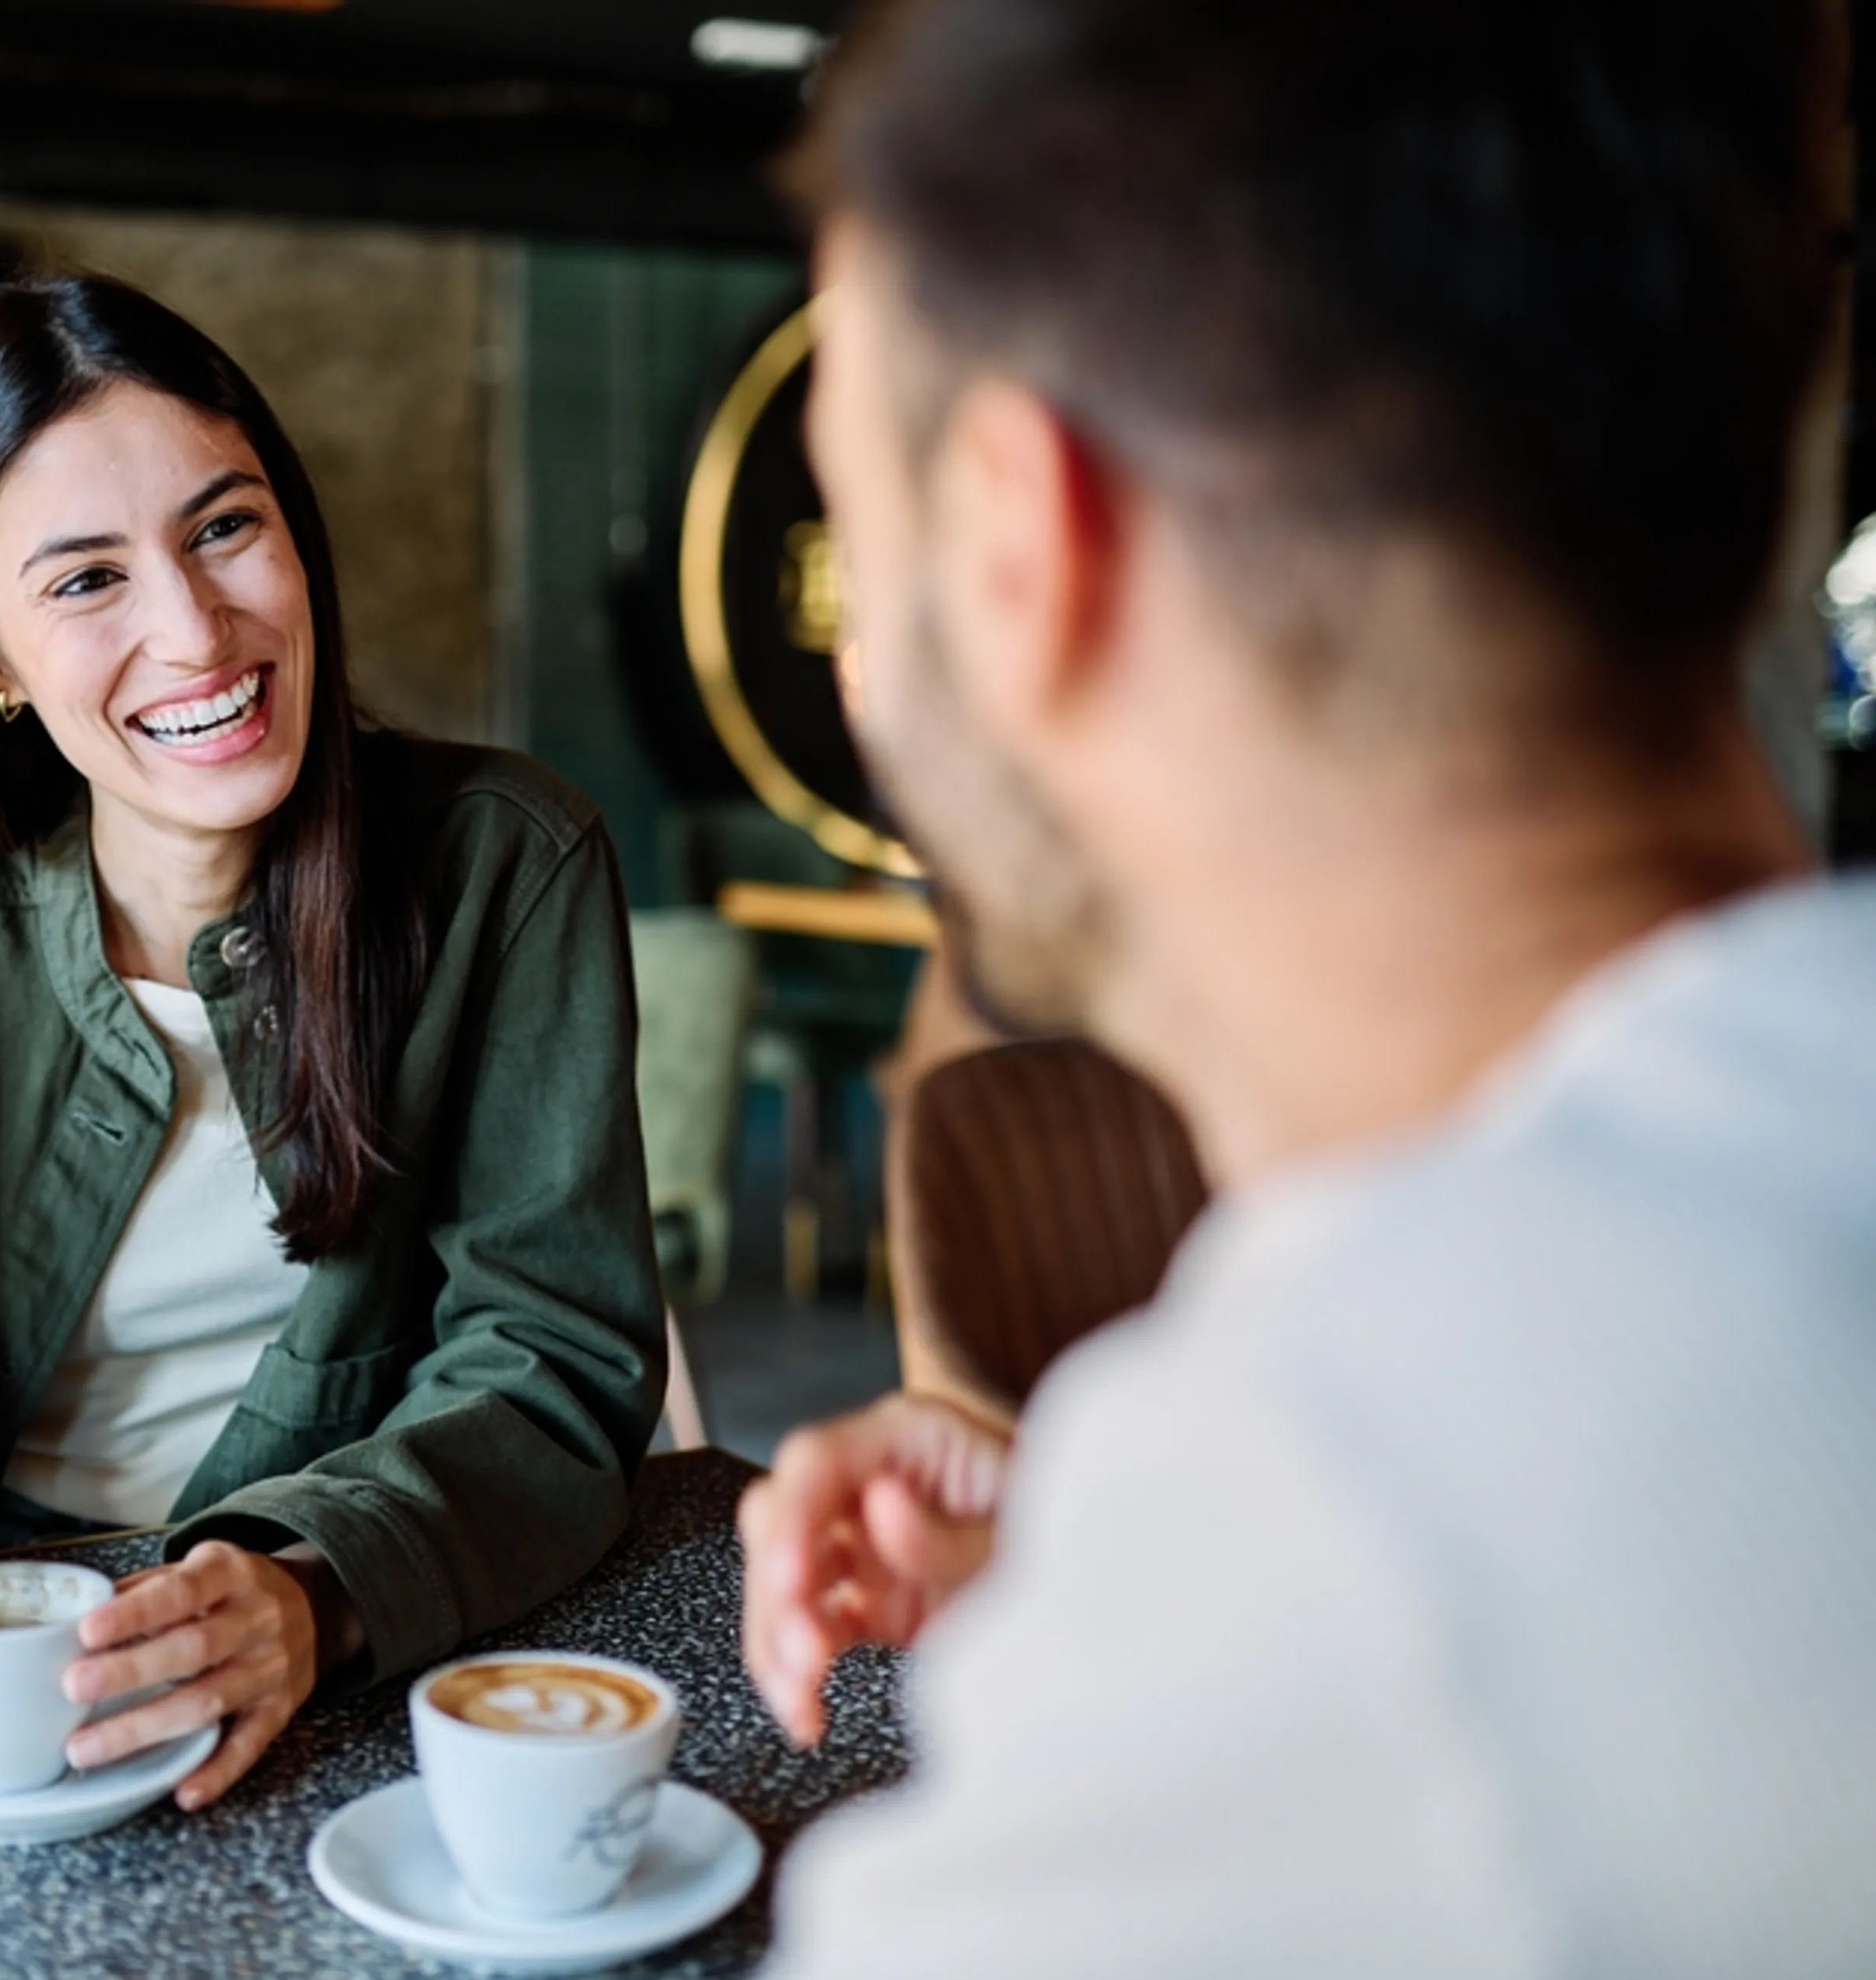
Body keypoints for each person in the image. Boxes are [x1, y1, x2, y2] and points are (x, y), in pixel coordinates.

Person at [738, 1, 1876, 1971]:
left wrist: (1209, 1604)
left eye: (861, 510)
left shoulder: (1342, 1531)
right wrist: (1118, 1565)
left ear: (1020, 543)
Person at [0, 274, 663, 1813]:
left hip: (353, 1685)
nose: (195, 629)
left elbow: (553, 1358)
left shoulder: (508, 866)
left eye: (227, 528)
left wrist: (311, 1585)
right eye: (86, 580)